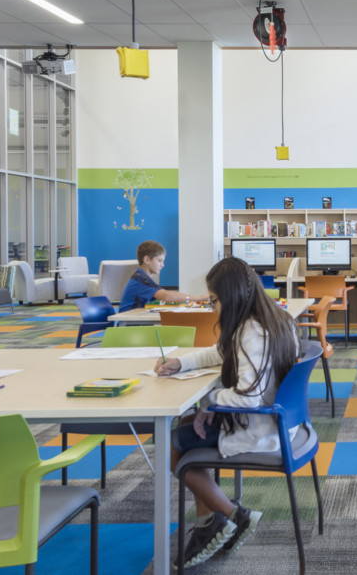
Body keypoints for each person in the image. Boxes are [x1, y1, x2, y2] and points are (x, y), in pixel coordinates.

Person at [154, 257, 304, 569]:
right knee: (184, 428)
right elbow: (221, 352)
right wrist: (181, 363)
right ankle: (212, 521)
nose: (212, 308)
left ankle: (232, 516)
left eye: (214, 300)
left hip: (261, 425)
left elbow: (249, 397)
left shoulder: (253, 332)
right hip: (280, 420)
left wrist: (209, 401)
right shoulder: (274, 318)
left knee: (175, 445)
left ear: (232, 295)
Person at [119, 240, 205, 313]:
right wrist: (200, 298)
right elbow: (167, 296)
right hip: (128, 326)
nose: (162, 265)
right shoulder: (140, 279)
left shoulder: (143, 277)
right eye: (159, 261)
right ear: (147, 260)